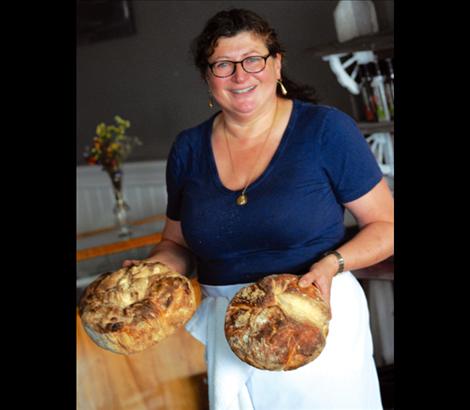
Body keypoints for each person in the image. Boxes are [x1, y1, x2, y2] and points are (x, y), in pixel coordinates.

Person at [124, 8, 393, 410]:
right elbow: (176, 244)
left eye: (253, 59)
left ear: (276, 63)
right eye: (223, 65)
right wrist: (150, 275)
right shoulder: (188, 148)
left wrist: (331, 264)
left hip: (312, 324)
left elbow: (386, 226)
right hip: (228, 333)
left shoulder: (325, 130)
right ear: (206, 77)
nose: (241, 75)